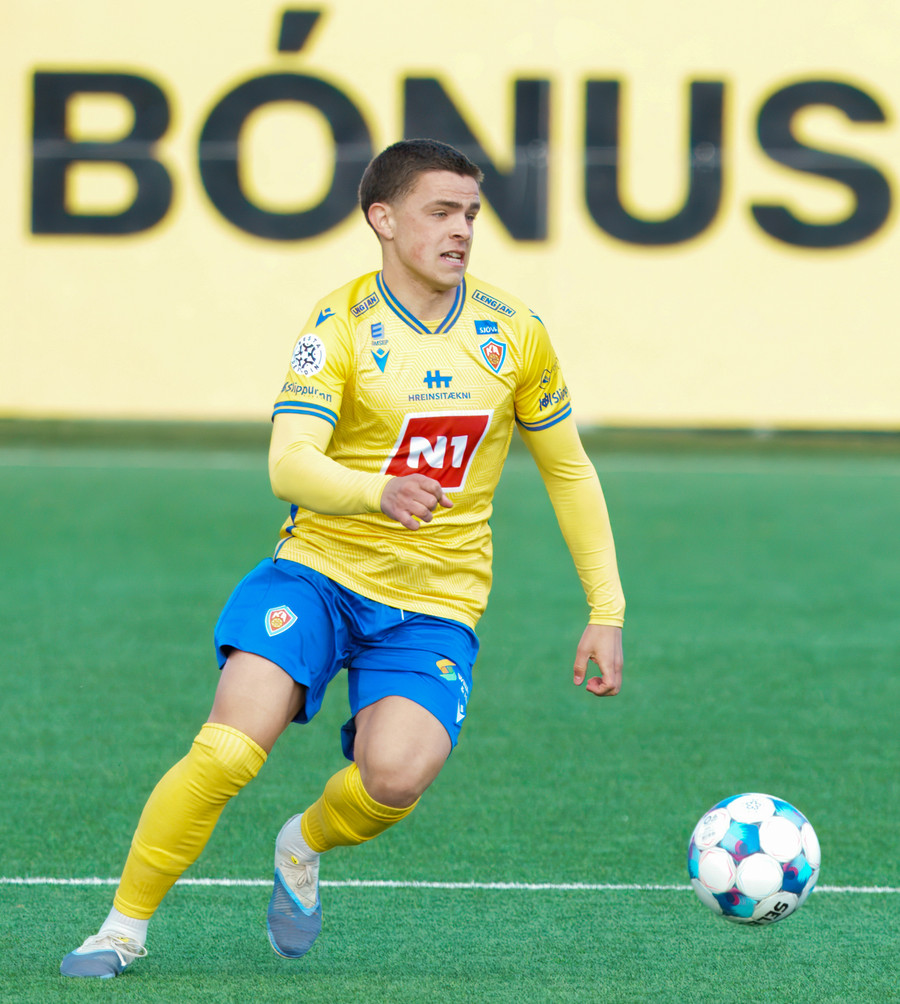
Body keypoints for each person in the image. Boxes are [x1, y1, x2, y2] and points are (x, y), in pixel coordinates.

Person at [60, 138, 625, 979]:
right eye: (441, 211)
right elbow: (288, 463)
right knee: (228, 750)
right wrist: (376, 491)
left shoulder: (515, 332)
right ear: (382, 219)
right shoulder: (338, 327)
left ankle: (302, 843)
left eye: (471, 213)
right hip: (319, 574)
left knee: (394, 779)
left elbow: (568, 470)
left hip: (436, 600)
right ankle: (120, 930)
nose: (462, 229)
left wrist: (606, 608)